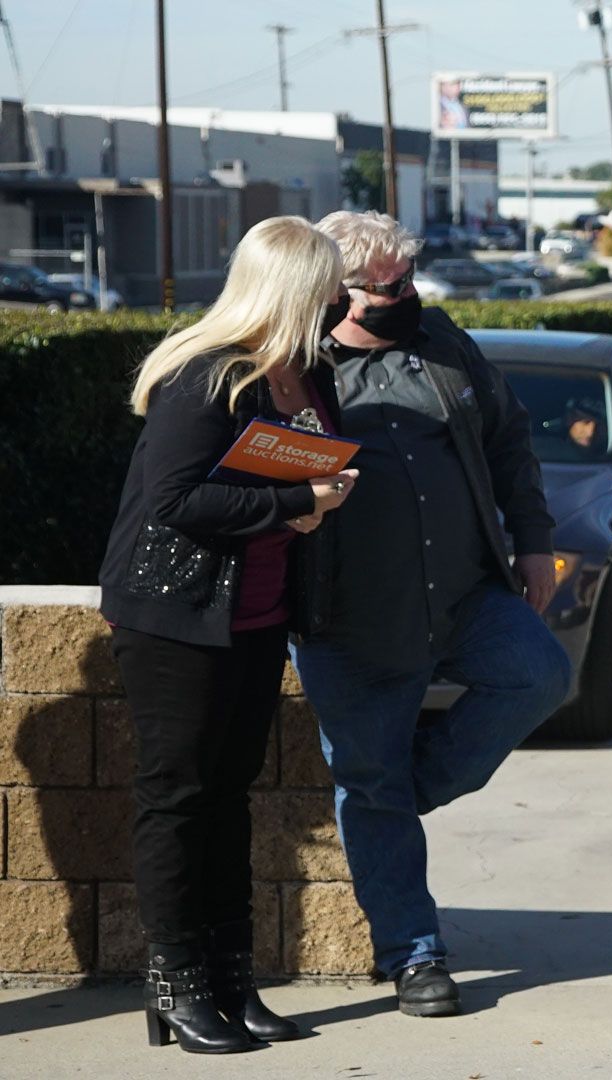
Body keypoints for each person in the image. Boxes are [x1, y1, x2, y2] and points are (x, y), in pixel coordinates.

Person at [294, 210, 572, 1017]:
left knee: (539, 675)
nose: (404, 295)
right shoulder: (295, 365)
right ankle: (413, 954)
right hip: (350, 622)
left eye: (410, 279)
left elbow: (511, 440)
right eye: (386, 286)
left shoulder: (442, 340)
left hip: (464, 595)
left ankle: (405, 785)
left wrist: (533, 541)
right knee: (367, 779)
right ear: (334, 291)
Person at [99, 216, 359, 1053]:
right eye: (327, 284)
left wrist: (321, 493)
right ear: (291, 286)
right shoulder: (208, 377)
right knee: (179, 800)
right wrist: (299, 503)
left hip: (258, 612)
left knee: (228, 800)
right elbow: (177, 501)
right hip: (179, 617)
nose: (340, 298)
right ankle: (176, 985)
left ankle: (229, 979)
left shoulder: (307, 373)